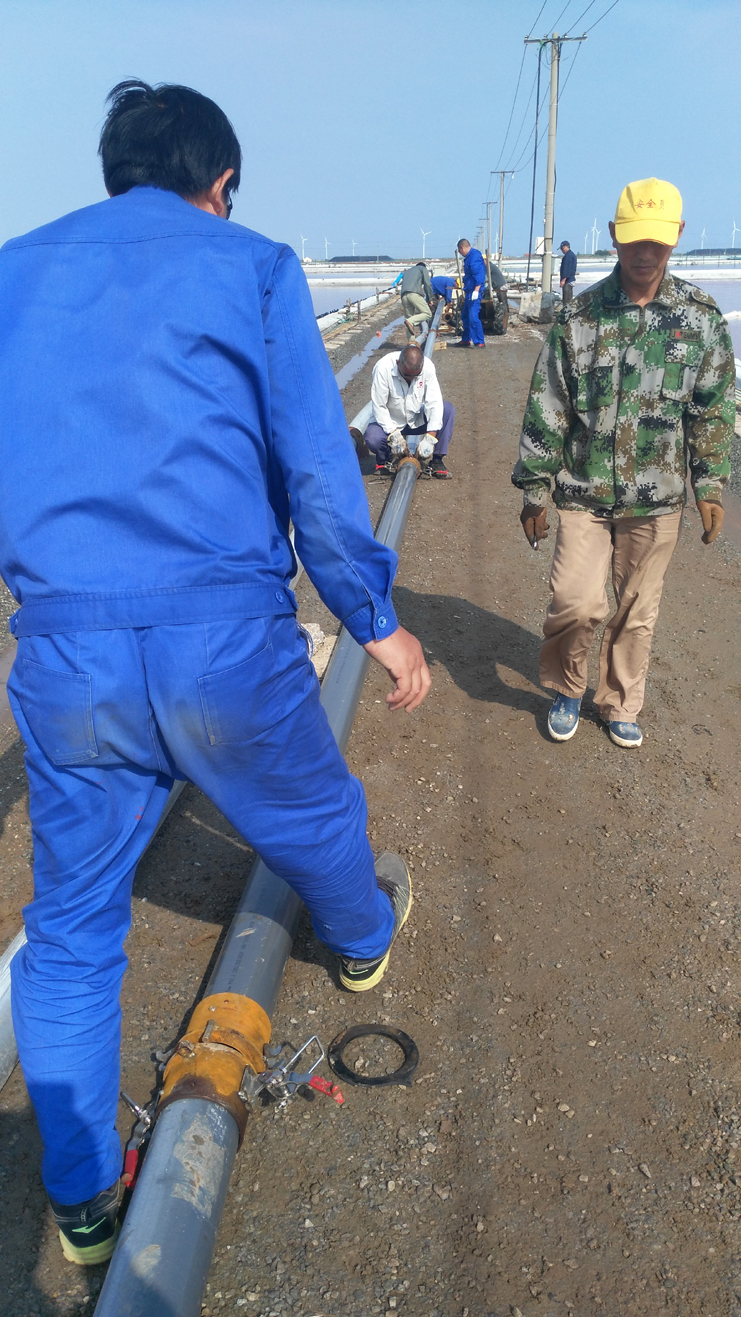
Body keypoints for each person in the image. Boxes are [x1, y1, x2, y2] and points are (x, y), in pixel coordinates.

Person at [0, 81, 431, 1265]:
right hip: (223, 637)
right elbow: (316, 469)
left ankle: (84, 1205)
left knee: (72, 927)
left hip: (68, 647)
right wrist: (374, 620)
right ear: (220, 181)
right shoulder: (252, 267)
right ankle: (359, 942)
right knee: (308, 808)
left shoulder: (13, 274)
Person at [512, 177, 734, 749]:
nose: (645, 253)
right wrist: (534, 488)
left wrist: (709, 485)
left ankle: (619, 701)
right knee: (575, 602)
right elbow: (549, 404)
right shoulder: (580, 317)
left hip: (657, 498)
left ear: (677, 236)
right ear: (613, 236)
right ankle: (567, 687)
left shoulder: (701, 319)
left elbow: (712, 408)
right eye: (635, 240)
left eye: (657, 241)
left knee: (636, 612)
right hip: (583, 491)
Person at [364, 343, 454, 479]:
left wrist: (430, 438)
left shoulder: (427, 367)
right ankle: (385, 459)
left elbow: (434, 403)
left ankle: (437, 461)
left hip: (416, 420)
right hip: (392, 421)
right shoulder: (383, 368)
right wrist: (394, 436)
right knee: (373, 437)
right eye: (406, 375)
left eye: (415, 376)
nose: (411, 379)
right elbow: (379, 406)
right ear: (398, 363)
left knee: (447, 410)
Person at [456, 238, 487, 346]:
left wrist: (476, 290)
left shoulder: (474, 257)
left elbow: (479, 274)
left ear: (462, 248)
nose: (460, 253)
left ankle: (479, 341)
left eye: (459, 251)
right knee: (465, 316)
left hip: (474, 291)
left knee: (473, 318)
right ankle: (466, 339)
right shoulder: (469, 257)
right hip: (469, 290)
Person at [399, 261, 434, 340]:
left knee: (408, 319)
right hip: (414, 294)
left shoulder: (407, 272)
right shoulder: (423, 269)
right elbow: (427, 284)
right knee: (427, 314)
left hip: (404, 296)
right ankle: (410, 321)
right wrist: (430, 299)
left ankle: (411, 343)